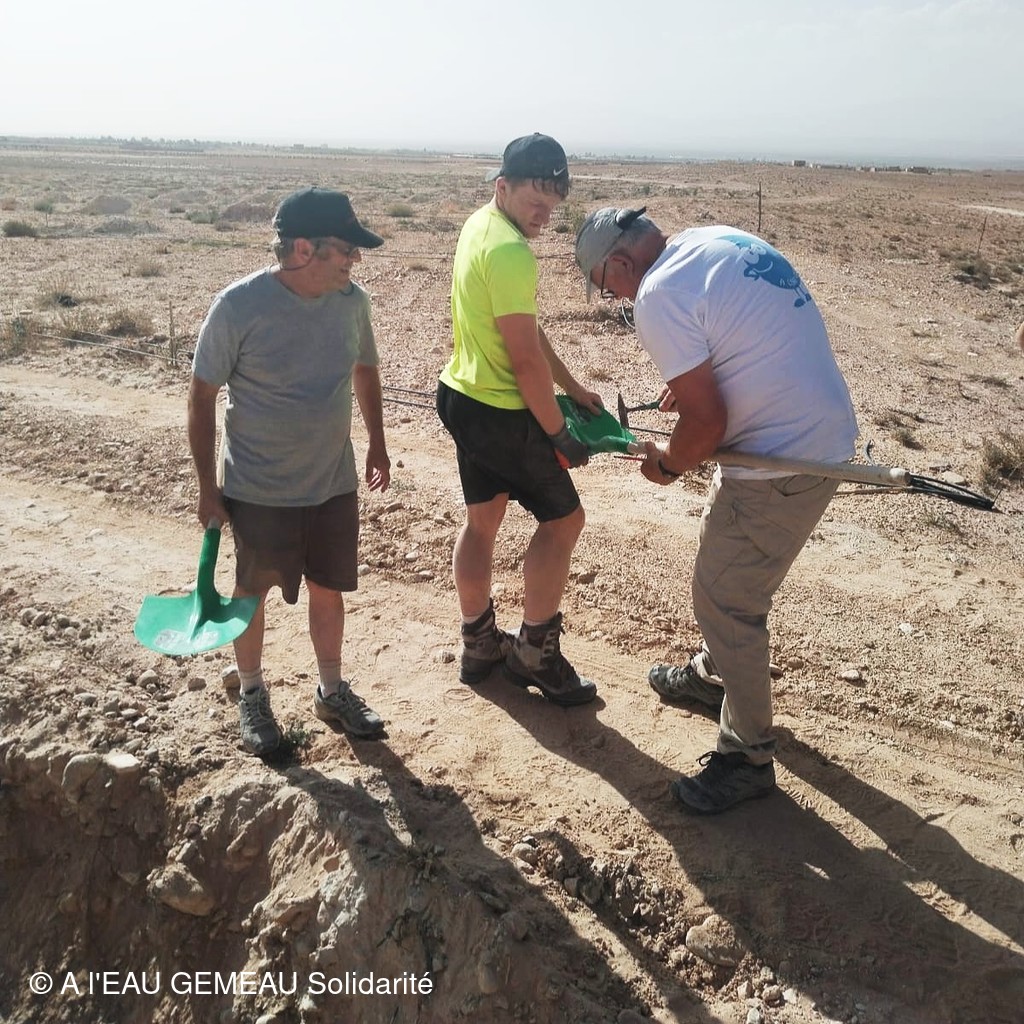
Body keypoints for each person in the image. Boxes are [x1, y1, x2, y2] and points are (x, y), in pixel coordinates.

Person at [575, 208, 859, 812]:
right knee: (725, 564)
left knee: (726, 599)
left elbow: (706, 424)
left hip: (782, 459)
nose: (615, 298)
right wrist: (697, 376)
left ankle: (747, 757)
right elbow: (743, 336)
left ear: (621, 262)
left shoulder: (657, 294)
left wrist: (668, 465)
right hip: (821, 433)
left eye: (606, 285)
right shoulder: (711, 241)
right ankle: (713, 676)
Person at [188, 187, 392, 757]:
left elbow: (365, 370)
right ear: (305, 249)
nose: (355, 259)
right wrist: (207, 487)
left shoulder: (352, 302)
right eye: (346, 249)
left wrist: (377, 443)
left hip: (332, 481)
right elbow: (201, 396)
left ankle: (331, 690)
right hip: (260, 487)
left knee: (330, 588)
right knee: (251, 592)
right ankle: (253, 694)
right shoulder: (238, 307)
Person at [436, 133, 603, 706]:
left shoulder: (479, 226)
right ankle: (534, 652)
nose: (544, 214)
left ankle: (479, 642)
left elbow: (524, 330)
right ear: (503, 185)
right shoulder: (510, 252)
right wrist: (558, 431)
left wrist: (573, 388)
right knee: (565, 521)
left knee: (482, 521)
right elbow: (525, 360)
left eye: (552, 204)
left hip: (461, 396)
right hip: (502, 413)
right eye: (536, 199)